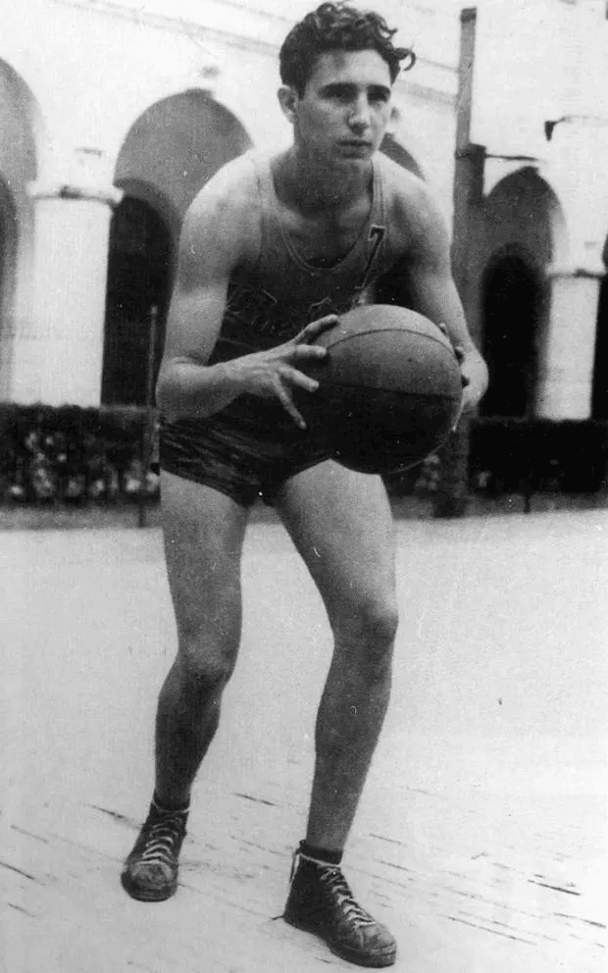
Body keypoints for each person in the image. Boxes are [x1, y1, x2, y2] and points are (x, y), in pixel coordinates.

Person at [121, 3, 488, 967]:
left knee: (375, 617)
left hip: (318, 423)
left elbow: (460, 347)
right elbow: (172, 386)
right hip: (217, 424)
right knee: (208, 659)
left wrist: (460, 381)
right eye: (339, 95)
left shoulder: (405, 204)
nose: (363, 114)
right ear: (291, 102)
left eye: (378, 95)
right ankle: (167, 816)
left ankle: (318, 875)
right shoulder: (228, 209)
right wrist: (248, 369)